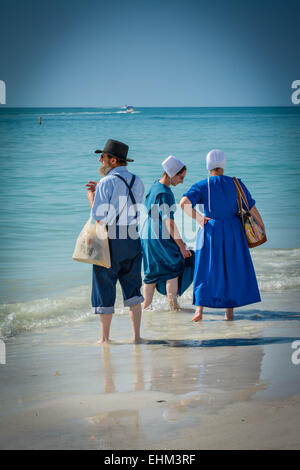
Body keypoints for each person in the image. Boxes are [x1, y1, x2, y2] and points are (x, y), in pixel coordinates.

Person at [180, 149, 265, 321]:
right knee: (230, 269)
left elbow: (183, 203)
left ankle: (199, 311)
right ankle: (229, 312)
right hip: (234, 231)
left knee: (205, 269)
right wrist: (261, 226)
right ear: (223, 165)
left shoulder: (203, 185)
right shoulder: (237, 184)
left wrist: (199, 218)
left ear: (208, 166)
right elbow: (251, 208)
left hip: (210, 230)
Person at [86, 139, 145, 343]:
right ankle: (137, 337)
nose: (100, 161)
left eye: (102, 157)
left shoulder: (106, 182)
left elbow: (99, 216)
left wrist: (91, 197)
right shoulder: (138, 180)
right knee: (133, 288)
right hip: (133, 237)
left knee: (104, 284)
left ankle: (105, 339)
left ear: (112, 160)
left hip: (111, 239)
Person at [141, 155, 193, 311]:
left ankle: (146, 308)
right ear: (172, 174)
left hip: (147, 234)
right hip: (160, 235)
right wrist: (182, 246)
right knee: (172, 267)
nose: (182, 181)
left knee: (151, 273)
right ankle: (173, 307)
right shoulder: (165, 193)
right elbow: (168, 222)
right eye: (181, 177)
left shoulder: (155, 185)